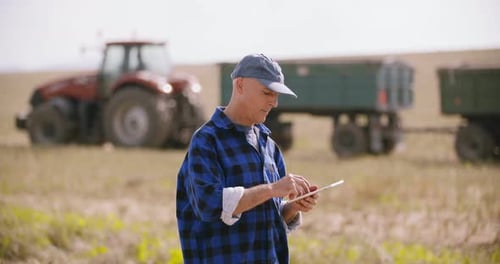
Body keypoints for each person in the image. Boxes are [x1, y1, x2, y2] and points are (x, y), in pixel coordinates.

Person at [176, 53, 319, 264]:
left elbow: (269, 219)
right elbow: (209, 205)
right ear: (240, 85)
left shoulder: (270, 147)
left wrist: (293, 207)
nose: (274, 103)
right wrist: (272, 189)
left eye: (276, 95)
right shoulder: (207, 141)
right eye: (267, 92)